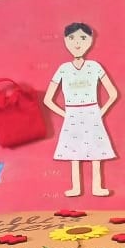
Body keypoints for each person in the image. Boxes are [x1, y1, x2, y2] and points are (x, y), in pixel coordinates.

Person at [43, 21, 118, 197]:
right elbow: (48, 99)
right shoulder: (63, 69)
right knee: (73, 151)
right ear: (65, 40)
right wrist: (65, 114)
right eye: (71, 38)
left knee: (96, 151)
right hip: (73, 114)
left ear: (90, 40)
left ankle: (97, 186)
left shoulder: (95, 67)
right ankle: (76, 187)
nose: (77, 43)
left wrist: (101, 111)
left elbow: (112, 93)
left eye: (83, 38)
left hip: (92, 111)